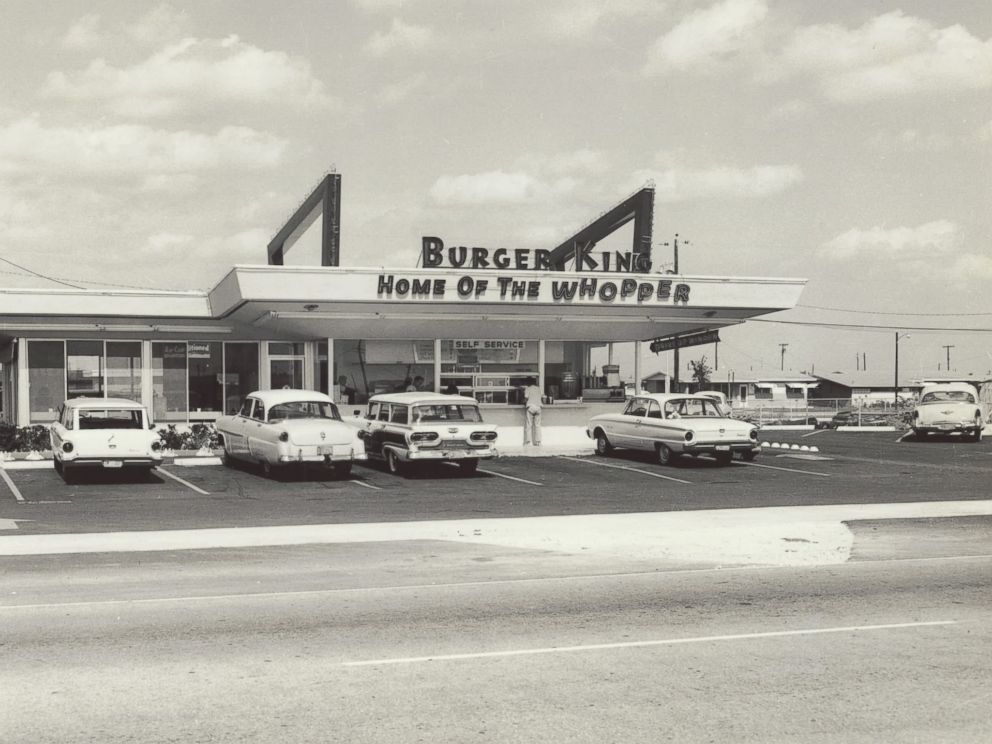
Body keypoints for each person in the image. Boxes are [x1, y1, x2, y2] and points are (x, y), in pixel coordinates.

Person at [522, 376, 542, 446]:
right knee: (537, 425)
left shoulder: (528, 389)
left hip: (531, 407)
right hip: (538, 407)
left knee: (529, 425)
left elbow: (526, 399)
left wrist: (523, 401)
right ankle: (538, 442)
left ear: (528, 382)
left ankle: (528, 442)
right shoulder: (538, 389)